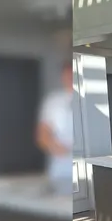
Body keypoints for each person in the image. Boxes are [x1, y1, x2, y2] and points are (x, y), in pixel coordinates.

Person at [36, 61, 73, 194]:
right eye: (67, 75)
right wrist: (55, 147)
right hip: (61, 170)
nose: (70, 78)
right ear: (62, 76)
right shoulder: (53, 101)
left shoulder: (85, 98)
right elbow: (42, 135)